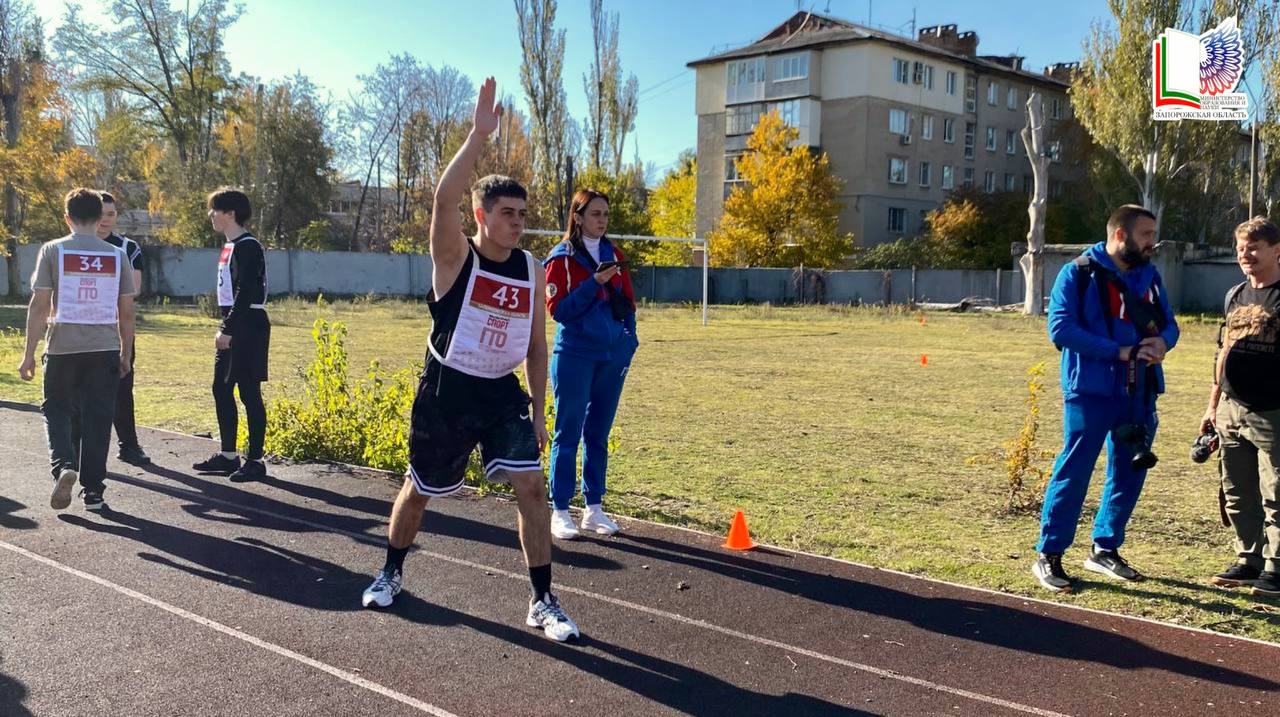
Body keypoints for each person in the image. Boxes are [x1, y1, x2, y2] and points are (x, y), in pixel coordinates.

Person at [360, 77, 579, 641]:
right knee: (420, 490)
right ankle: (391, 571)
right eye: (507, 212)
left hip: (502, 392)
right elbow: (442, 198)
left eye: (523, 213)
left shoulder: (531, 268)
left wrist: (536, 409)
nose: (518, 221)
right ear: (481, 215)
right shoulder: (455, 256)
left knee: (532, 489)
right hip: (448, 390)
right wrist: (479, 135)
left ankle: (542, 600)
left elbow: (536, 344)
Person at [1032, 204, 1180, 593]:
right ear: (1120, 236)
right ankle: (1049, 554)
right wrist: (1118, 351)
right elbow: (1061, 329)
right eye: (1146, 235)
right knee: (1075, 468)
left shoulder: (1151, 277)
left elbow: (1170, 324)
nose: (1153, 242)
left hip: (1139, 391)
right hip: (1091, 390)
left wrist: (1163, 343)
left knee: (1130, 468)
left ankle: (1105, 547)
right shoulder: (1077, 273)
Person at [18, 188, 136, 512]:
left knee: (56, 409)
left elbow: (39, 305)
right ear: (100, 219)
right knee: (99, 417)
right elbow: (126, 312)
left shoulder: (53, 250)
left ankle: (64, 465)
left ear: (67, 217)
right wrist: (125, 354)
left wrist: (29, 353)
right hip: (104, 347)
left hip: (62, 348)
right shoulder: (118, 255)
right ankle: (94, 491)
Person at [543, 188, 638, 539]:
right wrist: (594, 282)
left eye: (606, 215)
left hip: (612, 356)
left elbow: (628, 303)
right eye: (595, 214)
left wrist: (628, 341)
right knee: (567, 433)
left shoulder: (616, 254)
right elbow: (558, 311)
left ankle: (594, 508)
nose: (602, 220)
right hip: (574, 355)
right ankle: (560, 509)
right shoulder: (561, 258)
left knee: (598, 433)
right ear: (578, 216)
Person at [1203, 217, 1280, 598]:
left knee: (1276, 492)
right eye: (1239, 249)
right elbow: (1223, 352)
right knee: (1236, 490)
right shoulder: (1235, 295)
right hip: (1231, 409)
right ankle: (1248, 558)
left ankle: (1276, 568)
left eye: (1253, 247)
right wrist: (1212, 405)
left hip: (1272, 411)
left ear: (1276, 250)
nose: (1244, 255)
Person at [191, 188, 270, 482]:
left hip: (248, 323)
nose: (211, 215)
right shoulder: (230, 246)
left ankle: (256, 460)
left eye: (215, 209)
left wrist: (228, 328)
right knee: (221, 388)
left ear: (230, 213)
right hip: (235, 321)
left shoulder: (248, 246)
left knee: (249, 392)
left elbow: (246, 290)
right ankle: (227, 456)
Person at [95, 191, 150, 466]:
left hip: (118, 332)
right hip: (82, 333)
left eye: (111, 214)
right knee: (81, 394)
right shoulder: (77, 245)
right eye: (100, 213)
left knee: (121, 389)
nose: (105, 220)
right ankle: (81, 453)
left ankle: (129, 445)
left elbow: (135, 289)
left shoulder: (128, 248)